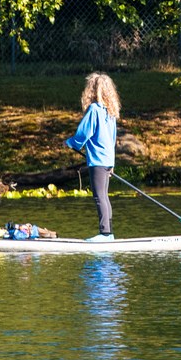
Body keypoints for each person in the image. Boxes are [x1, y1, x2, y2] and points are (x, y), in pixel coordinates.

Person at [65, 72, 120, 239]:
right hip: (107, 160)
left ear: (93, 90)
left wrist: (71, 143)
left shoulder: (94, 110)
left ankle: (105, 233)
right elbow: (112, 138)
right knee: (104, 196)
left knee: (99, 197)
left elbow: (83, 133)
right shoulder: (110, 113)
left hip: (97, 160)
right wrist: (112, 163)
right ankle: (108, 233)